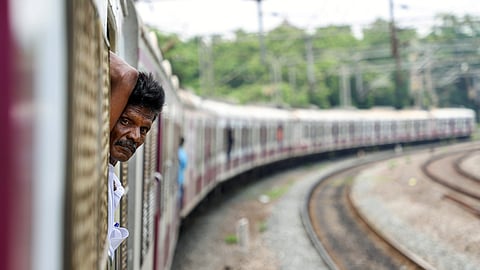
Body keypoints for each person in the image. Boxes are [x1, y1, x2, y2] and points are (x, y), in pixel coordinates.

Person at [108, 51, 165, 258]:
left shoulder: (111, 180)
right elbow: (126, 74)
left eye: (144, 129)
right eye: (126, 121)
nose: (135, 136)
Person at [177, 136, 187, 209]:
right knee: (180, 194)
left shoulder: (177, 152)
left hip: (177, 177)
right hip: (180, 177)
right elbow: (184, 165)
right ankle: (180, 208)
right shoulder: (183, 153)